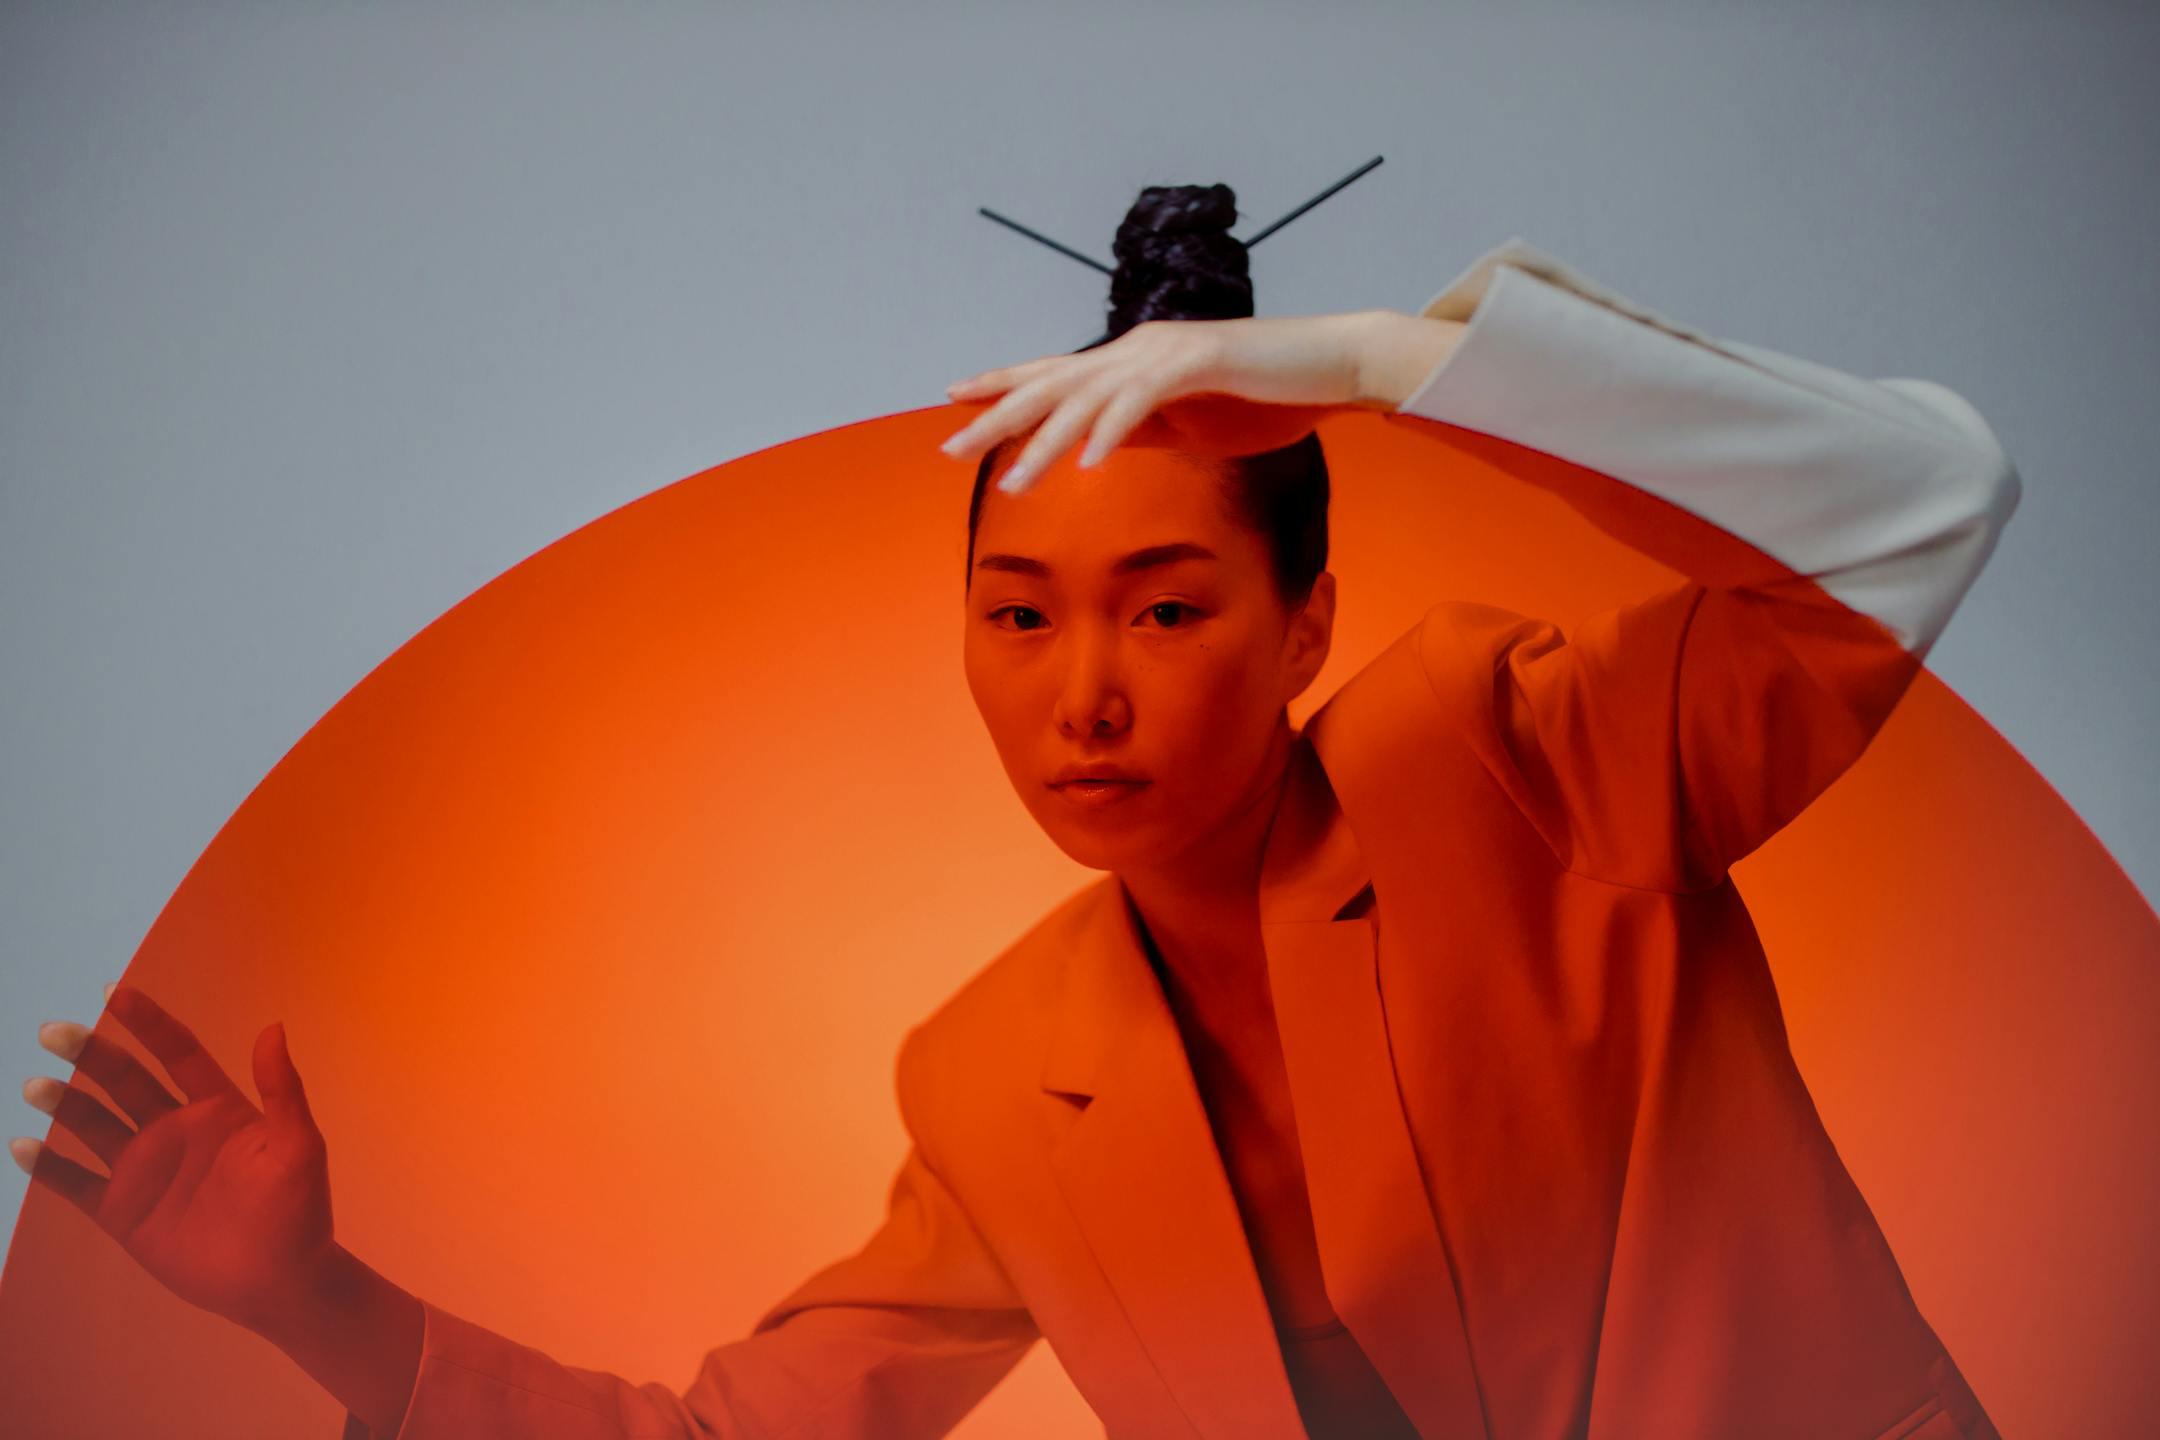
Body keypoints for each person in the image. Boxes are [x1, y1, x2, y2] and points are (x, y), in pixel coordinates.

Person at [12, 182, 2019, 1439]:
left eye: (1169, 605)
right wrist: (321, 1309)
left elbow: (1917, 498)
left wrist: (1403, 367)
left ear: (1307, 617)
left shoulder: (1519, 748)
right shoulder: (1001, 1078)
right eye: (1019, 614)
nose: (1089, 692)